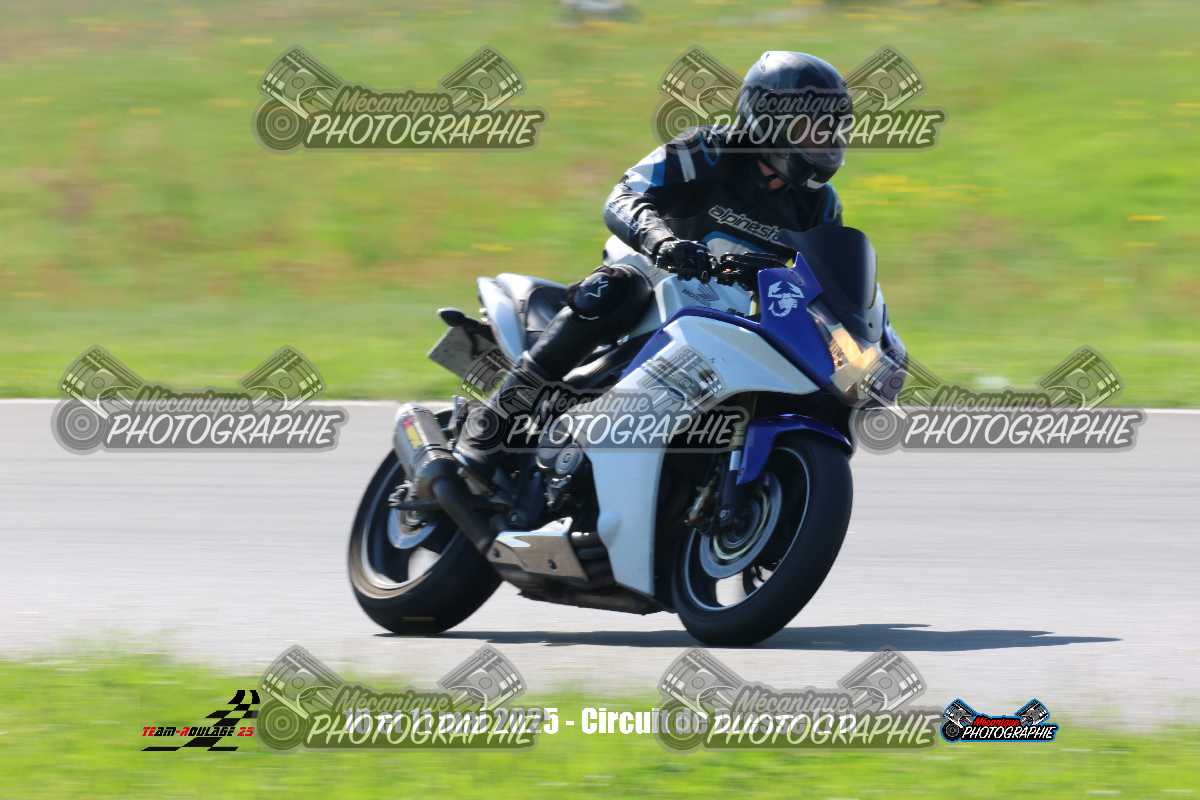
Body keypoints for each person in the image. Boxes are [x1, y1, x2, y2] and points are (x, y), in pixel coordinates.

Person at [455, 51, 852, 479]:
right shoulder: (705, 152)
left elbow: (824, 282)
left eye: (830, 128)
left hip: (733, 318)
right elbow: (624, 195)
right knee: (615, 290)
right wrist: (661, 241)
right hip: (656, 276)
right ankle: (489, 429)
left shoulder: (820, 206)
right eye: (810, 127)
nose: (823, 140)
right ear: (766, 118)